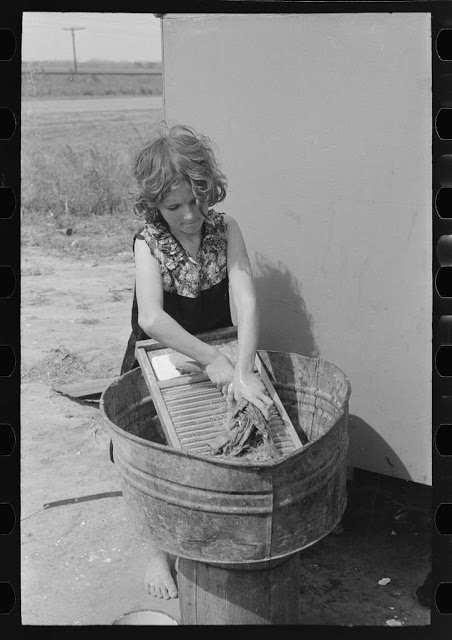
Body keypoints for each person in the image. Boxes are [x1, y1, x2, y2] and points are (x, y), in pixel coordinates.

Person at [118, 124, 273, 600]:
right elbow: (151, 318)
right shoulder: (149, 242)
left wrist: (241, 368)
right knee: (157, 452)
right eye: (174, 207)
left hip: (219, 346)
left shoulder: (226, 229)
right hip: (164, 351)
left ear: (209, 190)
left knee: (218, 441)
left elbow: (245, 298)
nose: (189, 216)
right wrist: (209, 360)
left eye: (196, 201)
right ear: (154, 205)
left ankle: (213, 528)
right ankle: (158, 551)